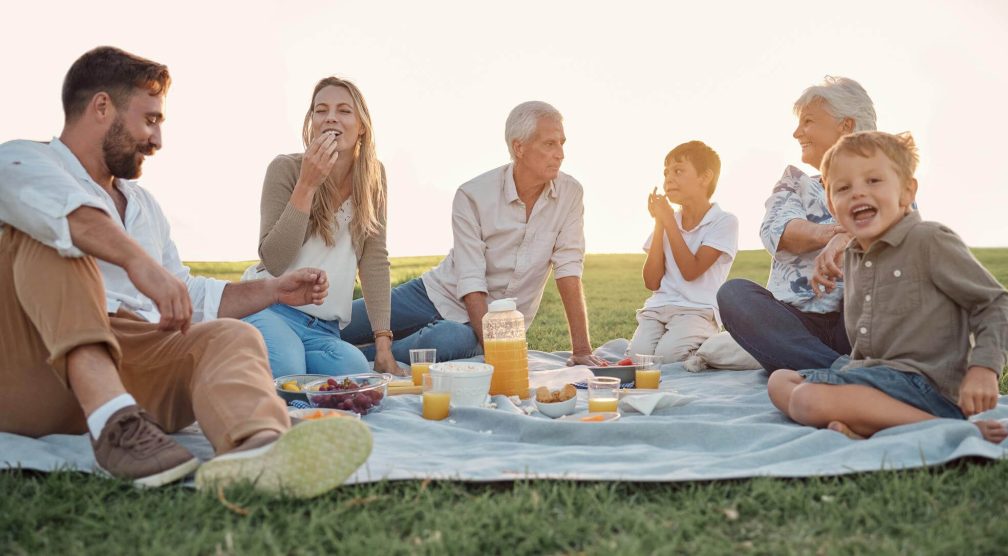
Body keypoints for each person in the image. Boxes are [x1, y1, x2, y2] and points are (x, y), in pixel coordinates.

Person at [0, 46, 371, 497]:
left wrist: (272, 290)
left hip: (135, 363)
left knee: (234, 336)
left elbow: (192, 295)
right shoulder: (22, 160)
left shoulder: (142, 204)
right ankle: (113, 423)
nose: (157, 141)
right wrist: (137, 262)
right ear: (102, 107)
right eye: (150, 120)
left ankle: (258, 450)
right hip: (34, 371)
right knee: (50, 236)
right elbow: (63, 212)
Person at [767, 131, 1008, 442]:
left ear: (907, 191)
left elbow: (994, 304)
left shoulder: (928, 239)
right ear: (831, 203)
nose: (858, 193)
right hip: (871, 375)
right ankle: (867, 422)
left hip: (924, 387)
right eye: (843, 188)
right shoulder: (856, 254)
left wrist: (984, 369)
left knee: (806, 400)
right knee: (779, 381)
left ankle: (947, 428)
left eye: (873, 181)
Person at [341, 101, 604, 366]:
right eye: (549, 144)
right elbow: (471, 281)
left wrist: (581, 350)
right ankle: (324, 343)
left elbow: (568, 269)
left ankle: (349, 359)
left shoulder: (570, 194)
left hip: (484, 327)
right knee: (339, 321)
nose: (560, 153)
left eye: (562, 143)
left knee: (450, 340)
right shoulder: (473, 194)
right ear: (519, 147)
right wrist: (497, 354)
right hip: (433, 293)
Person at [242, 77, 400, 378]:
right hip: (270, 307)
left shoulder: (374, 178)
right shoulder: (285, 168)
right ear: (311, 121)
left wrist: (383, 344)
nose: (330, 117)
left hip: (324, 329)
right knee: (289, 371)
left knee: (354, 370)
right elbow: (274, 261)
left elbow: (375, 259)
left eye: (344, 110)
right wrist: (308, 183)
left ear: (362, 126)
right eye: (321, 110)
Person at [717, 76, 876, 373]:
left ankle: (829, 372)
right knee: (733, 294)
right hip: (795, 325)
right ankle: (842, 373)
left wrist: (845, 241)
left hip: (859, 320)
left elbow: (898, 235)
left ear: (846, 125)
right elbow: (777, 231)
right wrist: (833, 233)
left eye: (808, 122)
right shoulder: (794, 183)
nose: (796, 132)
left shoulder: (886, 182)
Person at [627, 141, 738, 362]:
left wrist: (667, 220)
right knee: (639, 360)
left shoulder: (724, 221)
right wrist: (660, 223)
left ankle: (710, 345)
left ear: (705, 177)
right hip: (658, 309)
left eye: (678, 171)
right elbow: (651, 282)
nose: (668, 179)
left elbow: (691, 270)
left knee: (668, 358)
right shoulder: (669, 221)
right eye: (666, 172)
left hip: (697, 311)